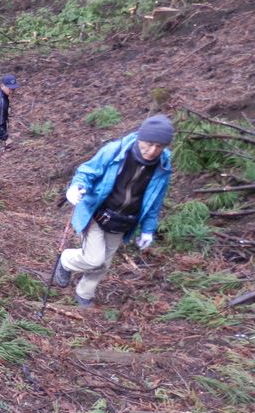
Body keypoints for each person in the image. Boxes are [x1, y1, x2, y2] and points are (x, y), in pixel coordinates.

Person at [53, 115, 174, 307]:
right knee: (94, 259)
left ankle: (84, 293)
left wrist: (148, 229)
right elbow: (87, 171)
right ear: (140, 138)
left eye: (159, 146)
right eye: (149, 144)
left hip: (124, 220)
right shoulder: (115, 151)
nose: (152, 151)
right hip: (96, 212)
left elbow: (154, 201)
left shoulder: (163, 167)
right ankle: (67, 260)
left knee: (103, 264)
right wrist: (76, 187)